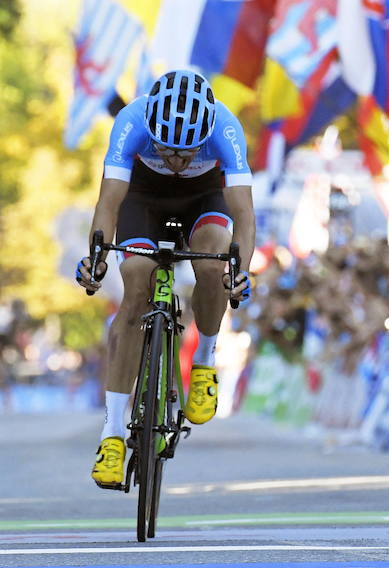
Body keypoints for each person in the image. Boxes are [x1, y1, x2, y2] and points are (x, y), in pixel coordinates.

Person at [76, 70, 255, 488]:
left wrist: (239, 271)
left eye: (188, 152)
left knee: (212, 265)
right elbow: (107, 204)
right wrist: (96, 260)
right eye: (168, 151)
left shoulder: (227, 127)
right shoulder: (132, 122)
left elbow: (244, 214)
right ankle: (112, 436)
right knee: (136, 286)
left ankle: (205, 362)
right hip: (143, 198)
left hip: (204, 198)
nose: (177, 161)